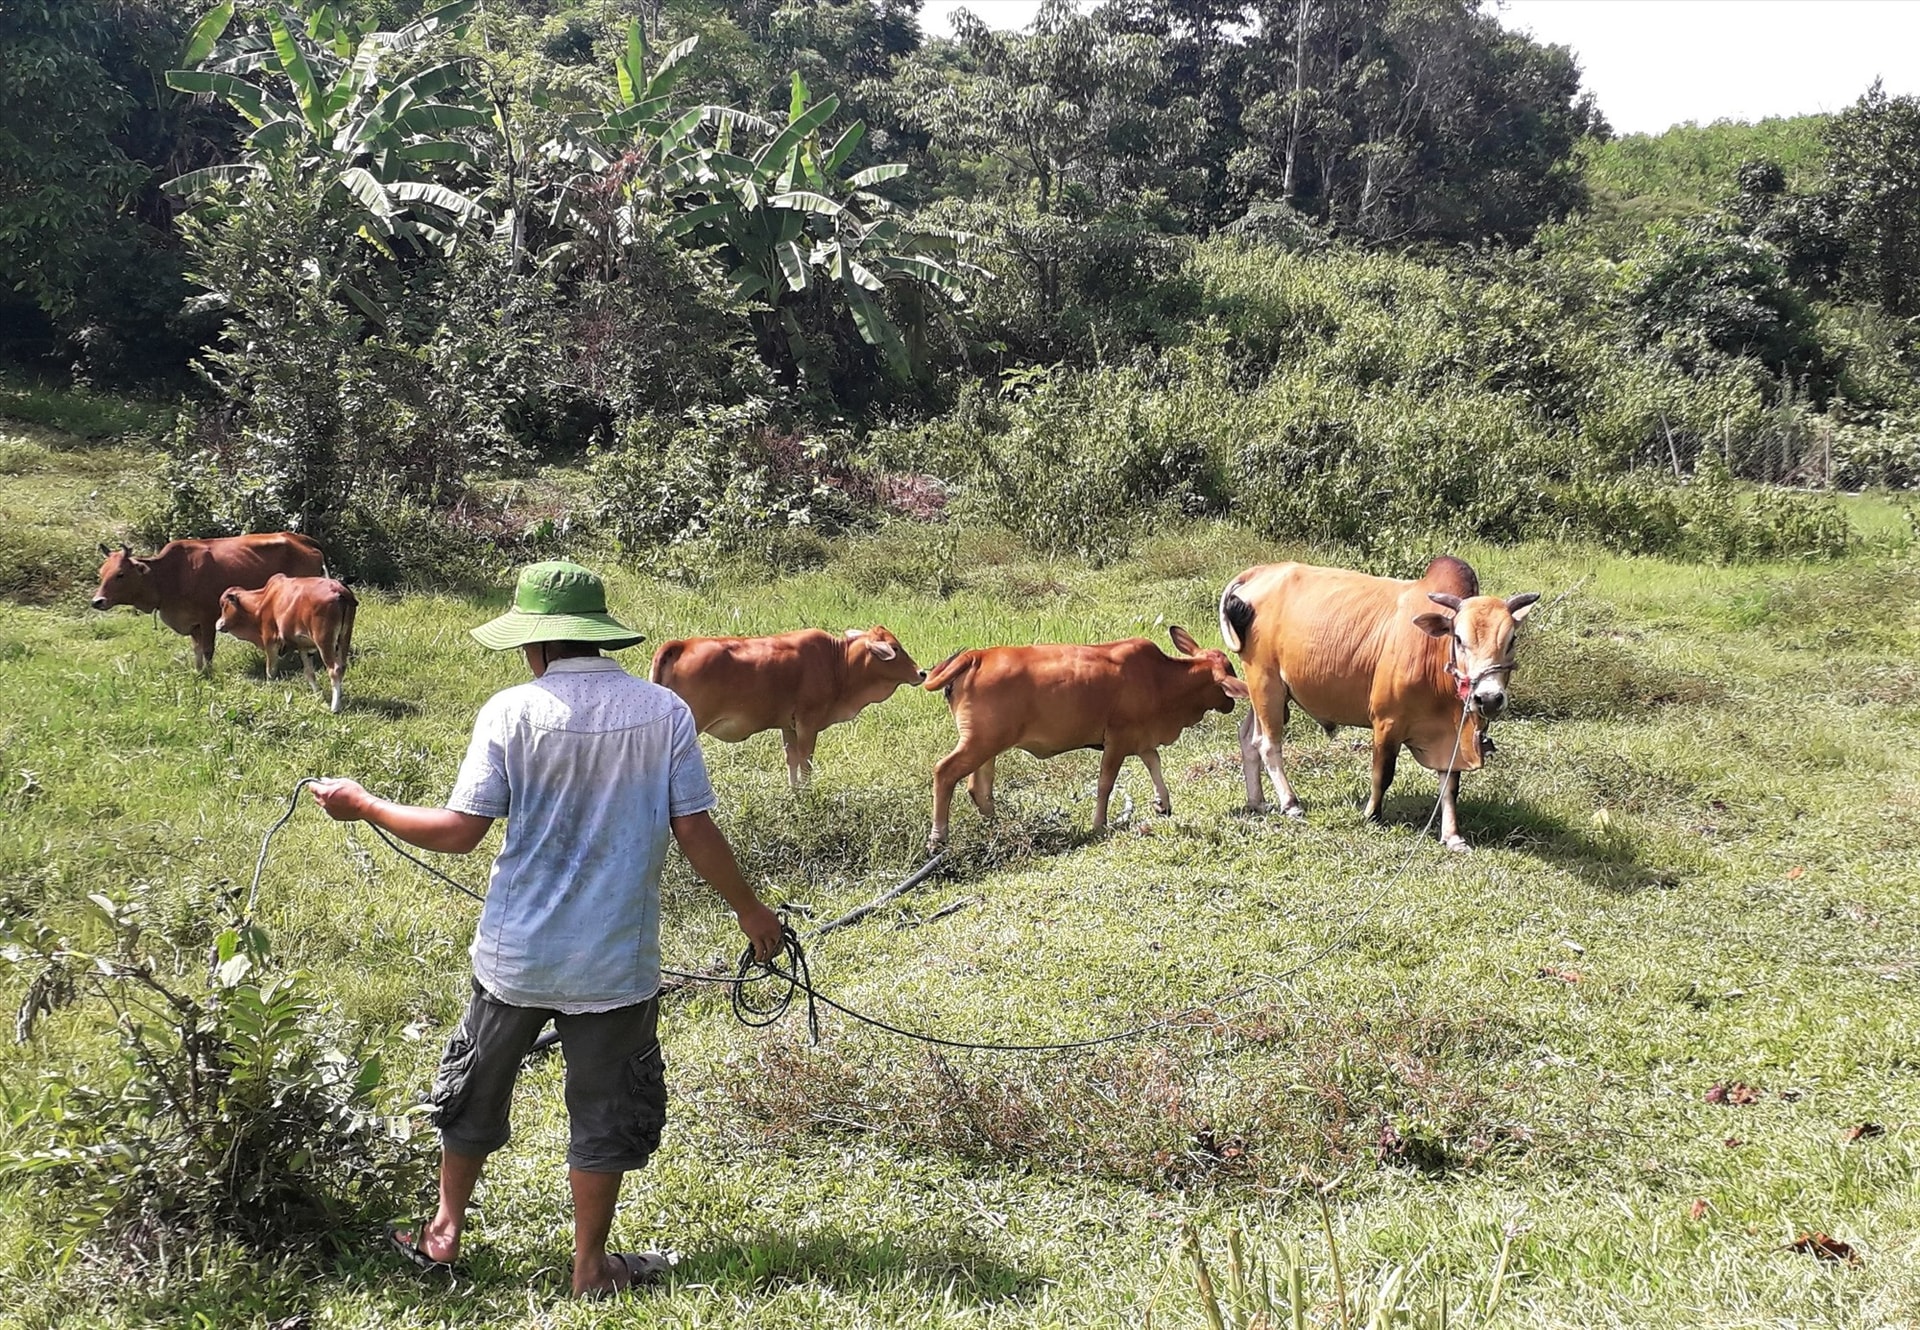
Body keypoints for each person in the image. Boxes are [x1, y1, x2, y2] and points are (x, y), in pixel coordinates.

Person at [309, 561, 783, 1299]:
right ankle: (590, 1269)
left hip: (515, 957)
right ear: (596, 635)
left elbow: (460, 832)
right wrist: (752, 913)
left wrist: (365, 803)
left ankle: (442, 1236)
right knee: (605, 1113)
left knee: (474, 1094)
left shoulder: (511, 711)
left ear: (535, 645)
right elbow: (694, 828)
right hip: (615, 964)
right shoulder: (663, 713)